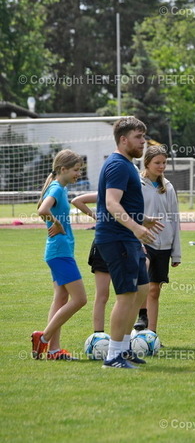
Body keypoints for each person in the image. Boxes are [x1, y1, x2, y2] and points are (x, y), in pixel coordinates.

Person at [95, 116, 164, 369]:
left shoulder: (126, 165)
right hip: (118, 238)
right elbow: (112, 203)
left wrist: (142, 220)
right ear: (123, 139)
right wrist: (136, 227)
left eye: (143, 136)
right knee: (125, 295)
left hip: (128, 237)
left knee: (142, 290)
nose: (143, 141)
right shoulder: (118, 165)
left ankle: (124, 349)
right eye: (138, 137)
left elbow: (121, 203)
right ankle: (113, 356)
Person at [32, 149, 88, 361]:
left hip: (60, 252)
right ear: (62, 169)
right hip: (60, 253)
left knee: (62, 298)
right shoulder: (56, 187)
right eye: (75, 170)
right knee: (80, 299)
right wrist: (56, 224)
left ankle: (54, 351)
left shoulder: (61, 188)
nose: (78, 174)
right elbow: (42, 210)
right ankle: (44, 338)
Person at [134, 145, 182, 336]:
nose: (161, 166)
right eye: (157, 163)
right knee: (141, 285)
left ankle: (151, 335)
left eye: (164, 163)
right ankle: (139, 318)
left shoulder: (168, 186)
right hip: (143, 241)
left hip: (164, 245)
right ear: (147, 163)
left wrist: (176, 252)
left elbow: (174, 218)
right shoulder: (136, 184)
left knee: (155, 290)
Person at [71, 192, 112, 333]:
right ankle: (98, 335)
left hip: (125, 245)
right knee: (102, 294)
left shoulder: (131, 193)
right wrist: (96, 217)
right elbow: (77, 201)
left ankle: (122, 337)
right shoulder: (106, 193)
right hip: (103, 245)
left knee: (126, 294)